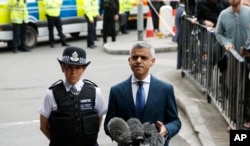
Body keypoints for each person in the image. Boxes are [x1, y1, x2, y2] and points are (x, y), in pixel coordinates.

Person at [103, 41, 181, 146]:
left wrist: (165, 130)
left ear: (152, 61)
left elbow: (175, 121)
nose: (138, 61)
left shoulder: (165, 89)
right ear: (129, 60)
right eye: (135, 57)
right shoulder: (117, 91)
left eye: (143, 58)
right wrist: (121, 135)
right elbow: (108, 124)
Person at [39, 46, 107, 146]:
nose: (73, 72)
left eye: (78, 67)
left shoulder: (95, 92)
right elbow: (43, 126)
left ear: (84, 69)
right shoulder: (51, 93)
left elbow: (99, 119)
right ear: (62, 67)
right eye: (69, 67)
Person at [215, 0, 250, 129]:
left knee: (247, 90)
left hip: (248, 59)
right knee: (234, 89)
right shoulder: (223, 14)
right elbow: (218, 33)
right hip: (233, 59)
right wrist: (226, 43)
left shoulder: (248, 12)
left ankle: (246, 117)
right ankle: (234, 120)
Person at [173, 0, 185, 69]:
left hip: (179, 36)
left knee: (180, 53)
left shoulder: (179, 9)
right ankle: (179, 67)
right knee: (181, 53)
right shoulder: (182, 10)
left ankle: (179, 67)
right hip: (181, 36)